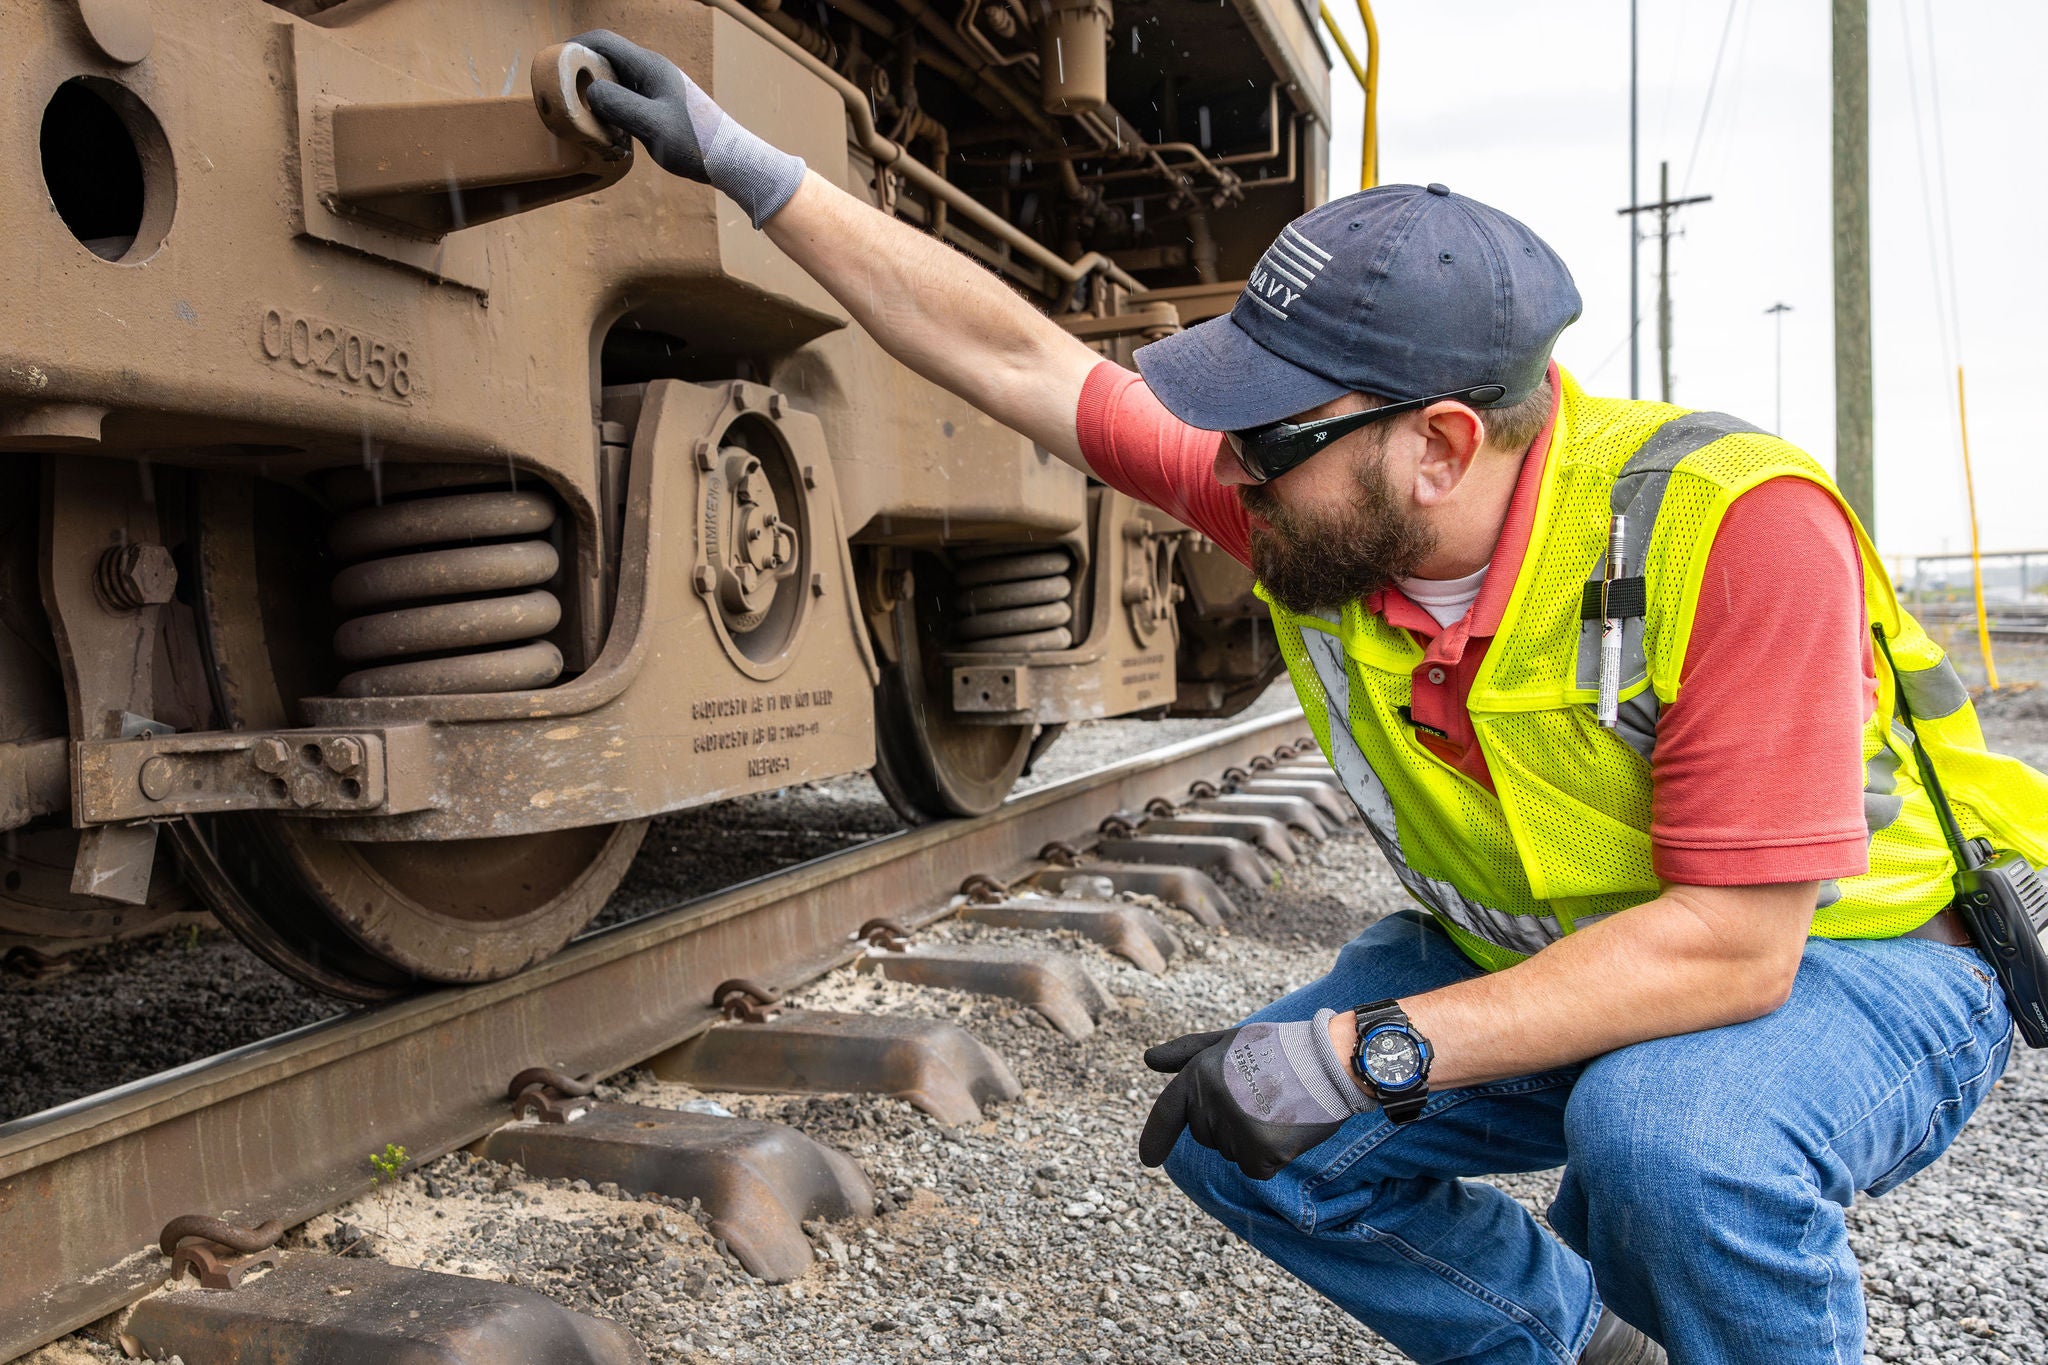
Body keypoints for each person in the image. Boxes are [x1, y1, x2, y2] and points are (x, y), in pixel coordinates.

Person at [568, 31, 2048, 1364]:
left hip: (1864, 962)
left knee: (1669, 1141)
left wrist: (1366, 1050)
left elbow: (1733, 952)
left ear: (1442, 445)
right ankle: (1587, 1348)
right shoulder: (1315, 506)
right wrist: (752, 167)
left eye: (1269, 432)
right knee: (1241, 1135)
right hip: (1586, 953)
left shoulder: (1730, 528)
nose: (1225, 459)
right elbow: (1018, 357)